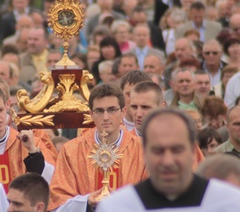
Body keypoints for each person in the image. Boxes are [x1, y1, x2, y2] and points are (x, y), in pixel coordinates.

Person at [96, 108, 240, 211]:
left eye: (177, 150)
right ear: (144, 152)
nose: (168, 161)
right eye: (158, 151)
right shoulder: (117, 207)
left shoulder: (230, 203)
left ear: (192, 151)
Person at [48, 84, 146, 211]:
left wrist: (121, 202)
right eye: (99, 111)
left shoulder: (143, 150)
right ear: (91, 114)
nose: (105, 117)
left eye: (112, 110)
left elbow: (154, 198)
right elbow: (57, 203)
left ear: (123, 112)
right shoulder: (71, 151)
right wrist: (87, 201)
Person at [0, 83, 55, 191]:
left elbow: (52, 184)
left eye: (0, 110)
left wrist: (33, 153)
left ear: (7, 105)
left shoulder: (31, 144)